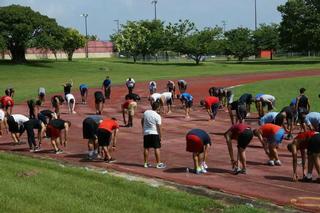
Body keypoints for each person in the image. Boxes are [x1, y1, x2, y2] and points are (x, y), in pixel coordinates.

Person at [141, 102, 166, 169]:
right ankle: (158, 163)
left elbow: (142, 120)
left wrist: (143, 128)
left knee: (146, 148)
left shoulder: (146, 112)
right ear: (158, 108)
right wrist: (160, 136)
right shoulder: (157, 116)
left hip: (146, 133)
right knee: (157, 148)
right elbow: (159, 127)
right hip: (154, 133)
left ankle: (145, 163)